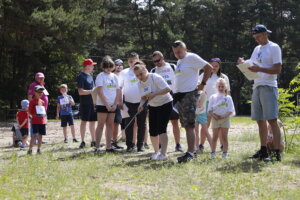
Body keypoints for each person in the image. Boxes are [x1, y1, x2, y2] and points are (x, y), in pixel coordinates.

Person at [237, 24, 283, 161]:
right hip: (256, 86)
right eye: (255, 37)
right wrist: (243, 63)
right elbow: (253, 65)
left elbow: (277, 70)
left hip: (269, 86)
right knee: (260, 120)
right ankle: (263, 150)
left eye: (258, 37)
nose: (256, 40)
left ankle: (276, 152)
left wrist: (260, 69)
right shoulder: (256, 48)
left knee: (272, 120)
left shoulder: (274, 47)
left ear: (265, 34)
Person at [171, 40, 212, 163]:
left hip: (189, 94)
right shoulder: (179, 62)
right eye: (175, 52)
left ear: (186, 49)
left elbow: (208, 67)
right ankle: (190, 151)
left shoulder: (191, 57)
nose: (177, 54)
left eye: (179, 51)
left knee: (189, 125)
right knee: (185, 125)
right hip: (179, 96)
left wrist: (203, 84)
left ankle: (190, 153)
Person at [134, 62, 173, 160]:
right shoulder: (139, 84)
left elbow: (168, 89)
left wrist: (154, 94)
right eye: (137, 75)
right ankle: (156, 152)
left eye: (141, 74)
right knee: (153, 131)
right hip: (153, 106)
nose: (139, 77)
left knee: (162, 129)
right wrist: (141, 105)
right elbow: (143, 97)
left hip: (165, 103)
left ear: (145, 70)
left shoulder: (154, 77)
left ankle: (163, 154)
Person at [150, 51, 183, 152]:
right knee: (160, 123)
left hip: (173, 96)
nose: (157, 63)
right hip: (159, 98)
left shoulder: (172, 66)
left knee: (175, 122)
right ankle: (160, 146)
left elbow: (180, 78)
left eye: (158, 60)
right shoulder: (153, 71)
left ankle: (178, 144)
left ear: (163, 57)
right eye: (154, 61)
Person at [198, 58, 231, 151]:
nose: (214, 67)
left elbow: (228, 92)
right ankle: (201, 144)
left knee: (220, 125)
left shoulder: (224, 77)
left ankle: (222, 145)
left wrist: (228, 105)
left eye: (216, 66)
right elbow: (198, 87)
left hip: (220, 105)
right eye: (212, 65)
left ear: (219, 66)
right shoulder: (204, 75)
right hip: (207, 102)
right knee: (205, 125)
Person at [119, 52, 147, 152]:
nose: (132, 62)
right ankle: (129, 145)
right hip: (128, 102)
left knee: (141, 124)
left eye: (134, 60)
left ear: (138, 59)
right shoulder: (124, 72)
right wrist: (120, 101)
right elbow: (119, 88)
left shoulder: (143, 71)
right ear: (128, 61)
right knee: (128, 124)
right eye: (130, 60)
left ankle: (140, 145)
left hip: (142, 101)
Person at [94, 56, 120, 152]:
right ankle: (97, 147)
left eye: (110, 66)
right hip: (102, 105)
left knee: (110, 125)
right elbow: (100, 92)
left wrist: (115, 104)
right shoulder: (100, 76)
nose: (108, 68)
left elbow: (118, 91)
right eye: (106, 66)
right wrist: (107, 105)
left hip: (113, 105)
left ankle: (108, 146)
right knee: (100, 125)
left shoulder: (115, 77)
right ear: (103, 67)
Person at [208, 78, 235, 158]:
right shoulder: (212, 97)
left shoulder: (228, 98)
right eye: (219, 86)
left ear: (225, 87)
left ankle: (225, 153)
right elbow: (209, 110)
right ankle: (213, 152)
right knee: (215, 136)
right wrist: (214, 116)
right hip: (215, 119)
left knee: (224, 136)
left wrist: (224, 116)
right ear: (216, 86)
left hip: (225, 119)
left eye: (222, 86)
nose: (220, 88)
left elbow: (231, 110)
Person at [77, 58, 97, 148]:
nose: (93, 66)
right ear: (88, 66)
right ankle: (82, 141)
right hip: (84, 103)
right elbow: (80, 92)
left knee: (92, 122)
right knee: (84, 122)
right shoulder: (81, 76)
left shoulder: (90, 75)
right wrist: (92, 91)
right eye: (92, 65)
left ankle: (94, 141)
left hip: (92, 102)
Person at [27, 85, 47, 155]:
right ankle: (30, 150)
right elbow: (29, 111)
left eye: (41, 92)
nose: (40, 93)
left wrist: (44, 117)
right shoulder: (32, 102)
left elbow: (44, 112)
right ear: (35, 92)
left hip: (42, 121)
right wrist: (31, 116)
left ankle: (39, 149)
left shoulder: (42, 102)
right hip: (35, 121)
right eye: (39, 92)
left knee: (41, 135)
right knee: (34, 135)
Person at [111, 59, 124, 149]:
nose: (119, 66)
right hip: (115, 102)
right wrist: (118, 102)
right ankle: (112, 141)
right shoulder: (111, 76)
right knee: (114, 123)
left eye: (121, 65)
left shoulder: (125, 75)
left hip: (126, 101)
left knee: (121, 122)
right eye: (117, 65)